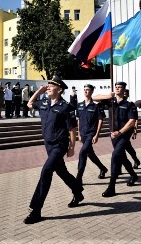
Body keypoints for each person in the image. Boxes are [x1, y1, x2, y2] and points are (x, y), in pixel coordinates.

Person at [23, 76, 84, 224]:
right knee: (61, 171)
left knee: (46, 171)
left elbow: (72, 128)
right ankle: (77, 190)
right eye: (48, 85)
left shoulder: (66, 106)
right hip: (48, 144)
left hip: (60, 144)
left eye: (52, 85)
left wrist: (71, 147)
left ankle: (36, 210)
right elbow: (29, 104)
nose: (48, 87)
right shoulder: (44, 102)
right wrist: (39, 91)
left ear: (60, 89)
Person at [92, 81, 139, 198]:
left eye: (120, 88)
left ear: (124, 90)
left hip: (123, 134)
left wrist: (120, 132)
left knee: (115, 155)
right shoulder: (110, 102)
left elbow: (132, 121)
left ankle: (111, 186)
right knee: (122, 157)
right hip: (113, 135)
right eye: (116, 87)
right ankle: (133, 175)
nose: (117, 89)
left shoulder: (129, 105)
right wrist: (108, 96)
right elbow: (94, 98)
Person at [75, 84, 108, 186]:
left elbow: (100, 120)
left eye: (88, 90)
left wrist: (96, 135)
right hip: (83, 134)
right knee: (91, 154)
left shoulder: (96, 106)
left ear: (92, 92)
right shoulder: (79, 105)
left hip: (91, 134)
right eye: (84, 90)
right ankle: (103, 168)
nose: (86, 91)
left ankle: (79, 178)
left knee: (82, 153)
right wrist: (79, 134)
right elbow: (79, 120)